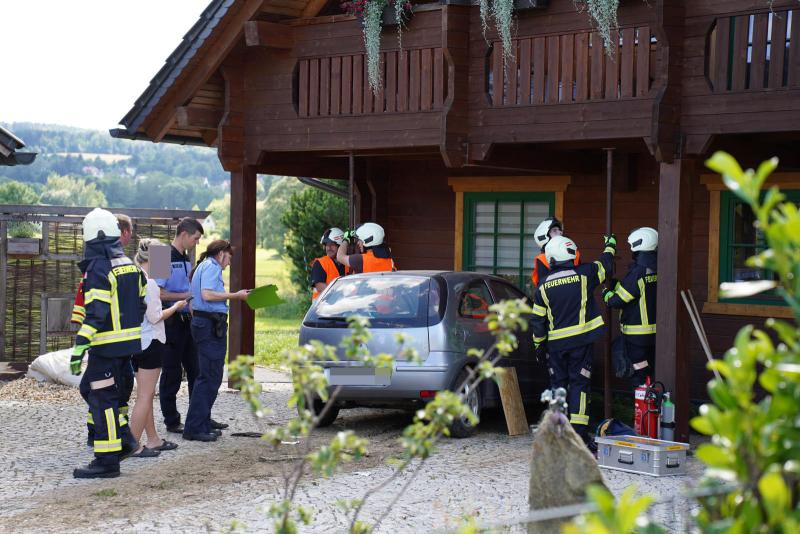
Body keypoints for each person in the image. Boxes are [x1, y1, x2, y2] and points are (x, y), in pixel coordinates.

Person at [70, 208, 146, 478]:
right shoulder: (128, 264)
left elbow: (97, 313)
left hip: (105, 347)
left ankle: (107, 461)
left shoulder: (99, 267)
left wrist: (80, 346)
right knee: (93, 392)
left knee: (102, 399)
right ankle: (125, 441)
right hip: (125, 347)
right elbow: (142, 302)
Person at [531, 234, 616, 446]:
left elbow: (537, 322)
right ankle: (578, 435)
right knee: (580, 385)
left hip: (556, 347)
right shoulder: (585, 274)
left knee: (558, 386)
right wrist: (610, 246)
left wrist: (538, 345)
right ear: (571, 254)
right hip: (581, 344)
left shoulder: (543, 286)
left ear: (551, 258)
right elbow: (605, 266)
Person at [182, 240, 249, 442]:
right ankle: (194, 427)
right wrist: (236, 296)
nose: (229, 263)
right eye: (229, 258)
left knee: (209, 375)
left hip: (206, 324)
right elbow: (207, 295)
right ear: (221, 254)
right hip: (209, 326)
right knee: (210, 376)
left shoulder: (203, 266)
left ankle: (201, 421)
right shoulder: (211, 267)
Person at [129, 238, 188, 458]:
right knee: (144, 397)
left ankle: (153, 439)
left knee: (146, 394)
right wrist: (175, 307)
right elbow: (155, 317)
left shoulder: (135, 278)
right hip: (151, 342)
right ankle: (133, 444)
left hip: (136, 342)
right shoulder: (151, 284)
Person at [156, 217, 212, 434]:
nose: (197, 243)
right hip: (171, 323)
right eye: (196, 238)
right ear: (184, 234)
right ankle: (172, 421)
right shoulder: (160, 255)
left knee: (196, 371)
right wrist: (187, 296)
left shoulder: (187, 258)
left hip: (188, 322)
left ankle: (197, 418)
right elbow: (158, 293)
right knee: (171, 374)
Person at [602, 227, 658, 387]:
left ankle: (643, 408)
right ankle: (653, 406)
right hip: (654, 334)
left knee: (640, 377)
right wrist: (617, 284)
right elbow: (636, 291)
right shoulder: (657, 267)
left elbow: (617, 300)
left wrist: (607, 293)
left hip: (636, 334)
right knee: (649, 373)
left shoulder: (639, 271)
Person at [530, 217, 581, 289]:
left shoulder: (573, 251)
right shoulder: (542, 259)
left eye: (560, 230)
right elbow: (542, 287)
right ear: (544, 237)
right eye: (554, 230)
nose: (560, 232)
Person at [311, 227, 347, 300]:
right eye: (327, 245)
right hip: (323, 308)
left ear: (340, 246)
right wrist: (342, 293)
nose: (328, 248)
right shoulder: (320, 263)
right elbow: (320, 286)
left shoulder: (347, 263)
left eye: (332, 244)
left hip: (344, 305)